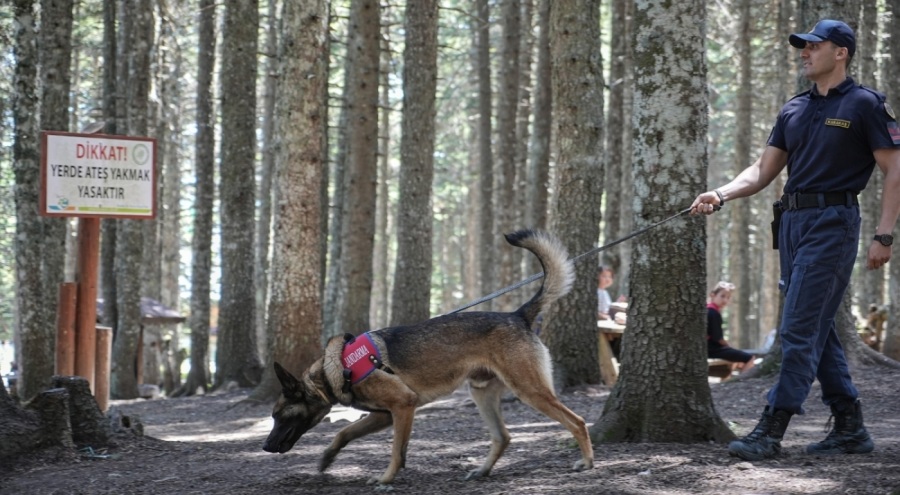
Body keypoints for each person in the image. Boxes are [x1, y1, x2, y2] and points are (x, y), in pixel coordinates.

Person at [691, 19, 900, 461]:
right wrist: (720, 193)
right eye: (802, 47)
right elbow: (763, 171)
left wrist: (885, 233)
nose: (804, 53)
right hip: (791, 223)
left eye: (813, 46)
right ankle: (849, 425)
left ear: (840, 52)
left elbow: (895, 169)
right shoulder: (794, 109)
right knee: (816, 329)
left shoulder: (866, 105)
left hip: (834, 221)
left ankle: (772, 427)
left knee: (798, 328)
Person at [706, 281, 755, 377]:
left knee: (736, 358)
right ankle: (741, 381)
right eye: (722, 296)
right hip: (711, 349)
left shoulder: (708, 310)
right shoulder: (713, 313)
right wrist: (728, 347)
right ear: (712, 295)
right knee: (750, 358)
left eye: (728, 297)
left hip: (708, 348)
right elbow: (718, 338)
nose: (725, 300)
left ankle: (731, 380)